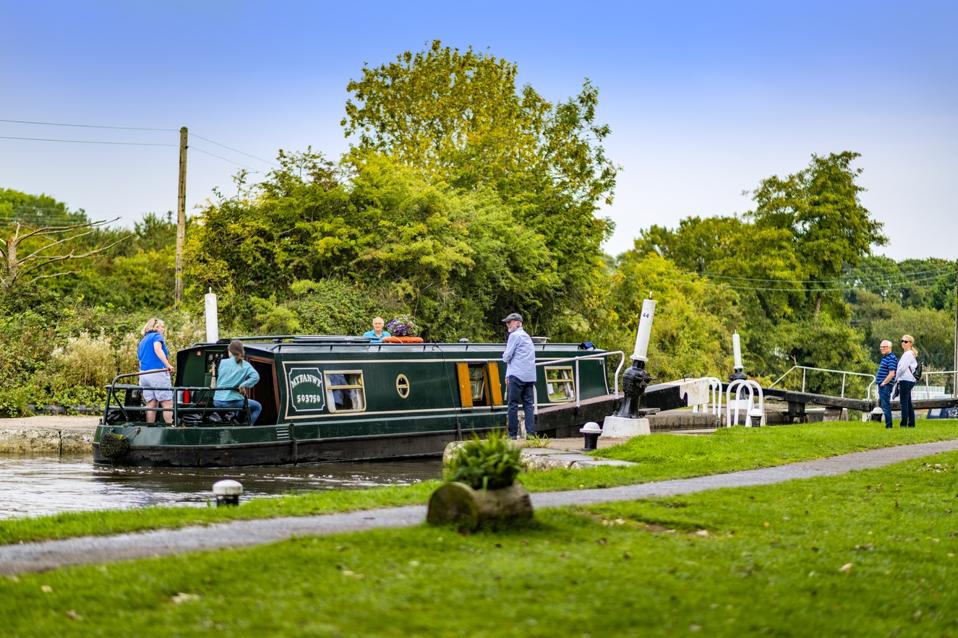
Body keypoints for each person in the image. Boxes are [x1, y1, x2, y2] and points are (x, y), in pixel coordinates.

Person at [502, 312, 537, 439]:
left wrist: (504, 357)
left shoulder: (514, 336)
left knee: (513, 404)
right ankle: (531, 434)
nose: (507, 325)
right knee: (528, 405)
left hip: (517, 376)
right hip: (530, 376)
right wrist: (507, 374)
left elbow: (507, 357)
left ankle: (512, 435)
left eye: (509, 322)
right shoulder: (527, 337)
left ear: (517, 323)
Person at [213, 340, 262, 425]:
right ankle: (246, 428)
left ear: (230, 351)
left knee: (242, 401)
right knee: (257, 406)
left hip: (217, 401)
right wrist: (243, 385)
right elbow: (256, 377)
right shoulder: (245, 365)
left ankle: (237, 423)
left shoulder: (222, 363)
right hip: (230, 402)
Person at [137, 318, 174, 425]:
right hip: (157, 373)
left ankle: (150, 427)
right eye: (162, 326)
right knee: (167, 403)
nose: (163, 329)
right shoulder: (156, 336)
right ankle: (170, 428)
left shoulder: (142, 341)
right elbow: (157, 349)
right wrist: (168, 365)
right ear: (156, 327)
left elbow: (140, 360)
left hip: (144, 374)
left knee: (151, 404)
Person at [896, 335, 918, 428]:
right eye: (902, 341)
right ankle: (911, 423)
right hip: (909, 380)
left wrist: (895, 378)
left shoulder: (908, 354)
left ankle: (903, 423)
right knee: (908, 403)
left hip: (905, 380)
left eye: (905, 341)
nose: (903, 343)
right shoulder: (909, 353)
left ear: (910, 343)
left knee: (904, 402)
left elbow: (902, 368)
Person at [874, 339, 897, 429]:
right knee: (884, 405)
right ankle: (888, 425)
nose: (881, 349)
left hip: (885, 386)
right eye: (881, 347)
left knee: (886, 406)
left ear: (889, 348)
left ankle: (889, 426)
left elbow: (892, 373)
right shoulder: (885, 357)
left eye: (883, 347)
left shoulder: (891, 358)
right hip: (883, 385)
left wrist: (884, 383)